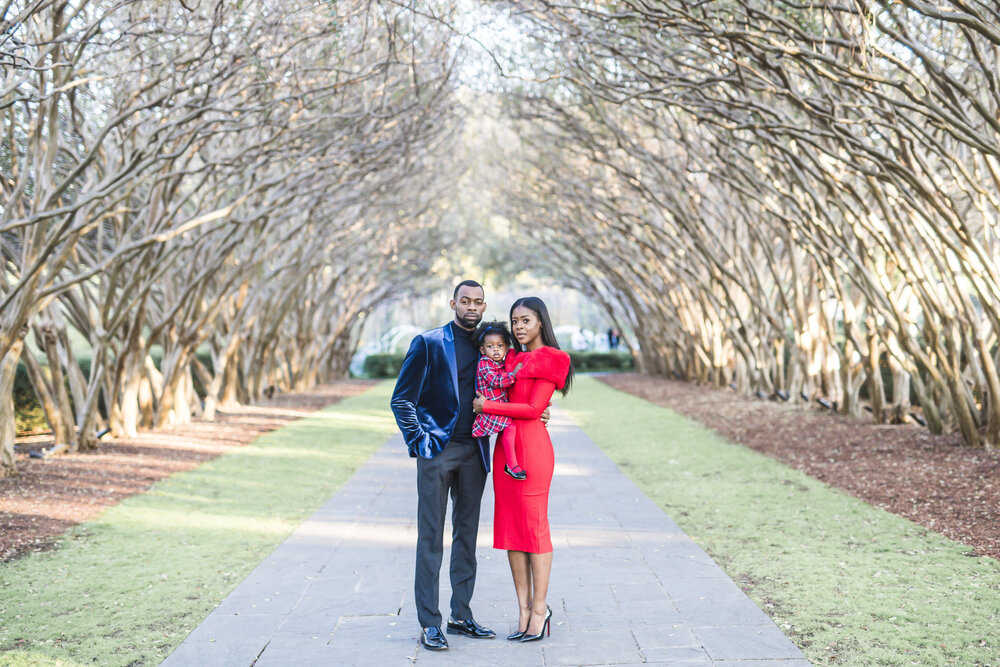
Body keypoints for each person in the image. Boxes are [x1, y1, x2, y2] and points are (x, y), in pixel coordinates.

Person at [389, 280, 496, 651]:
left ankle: (461, 615)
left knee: (466, 537)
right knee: (431, 539)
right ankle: (429, 622)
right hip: (438, 451)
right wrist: (420, 443)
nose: (471, 306)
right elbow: (401, 400)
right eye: (465, 300)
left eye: (478, 302)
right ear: (453, 303)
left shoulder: (491, 344)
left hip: (476, 453)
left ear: (484, 306)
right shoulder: (429, 342)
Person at [473, 296, 572, 644]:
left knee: (534, 528)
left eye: (525, 320)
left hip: (532, 451)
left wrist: (488, 405)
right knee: (513, 530)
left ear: (541, 321)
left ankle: (541, 608)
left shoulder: (552, 359)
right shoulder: (508, 357)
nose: (519, 327)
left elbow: (532, 408)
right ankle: (523, 610)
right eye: (515, 321)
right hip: (506, 450)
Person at [471, 321, 525, 480]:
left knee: (510, 428)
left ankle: (511, 463)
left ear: (506, 348)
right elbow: (495, 381)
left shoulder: (500, 363)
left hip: (497, 407)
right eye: (490, 346)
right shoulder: (484, 364)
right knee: (510, 427)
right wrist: (513, 374)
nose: (495, 349)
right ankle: (511, 464)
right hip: (489, 411)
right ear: (482, 349)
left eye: (500, 345)